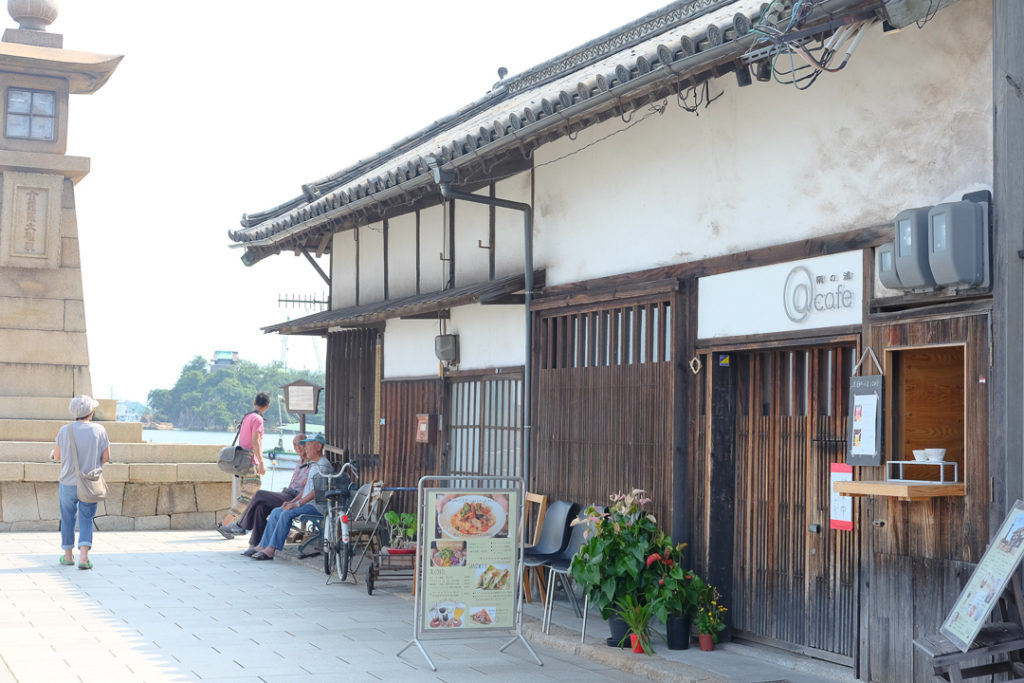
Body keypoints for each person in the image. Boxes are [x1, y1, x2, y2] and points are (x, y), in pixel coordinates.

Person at [227, 434, 313, 556]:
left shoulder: (312, 463)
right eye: (294, 445)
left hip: (294, 497)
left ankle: (241, 525)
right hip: (287, 493)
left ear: (307, 445)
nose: (297, 447)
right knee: (260, 506)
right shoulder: (300, 461)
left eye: (300, 444)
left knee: (259, 494)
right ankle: (256, 545)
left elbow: (309, 488)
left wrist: (295, 501)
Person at [251, 434, 333, 560]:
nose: (305, 449)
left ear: (318, 446)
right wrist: (291, 501)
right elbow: (306, 489)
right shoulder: (314, 464)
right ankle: (263, 545)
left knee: (286, 514)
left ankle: (271, 549)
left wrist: (297, 504)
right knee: (277, 511)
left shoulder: (323, 466)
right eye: (305, 446)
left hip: (317, 506)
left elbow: (316, 492)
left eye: (308, 445)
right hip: (308, 504)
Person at [52, 395, 111, 570]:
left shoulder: (64, 430)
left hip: (68, 483)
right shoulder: (99, 430)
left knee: (68, 519)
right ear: (91, 412)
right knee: (86, 518)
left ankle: (68, 556)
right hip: (90, 484)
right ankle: (84, 558)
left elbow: (57, 457)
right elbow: (106, 457)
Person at [216, 392, 270, 538]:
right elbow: (255, 442)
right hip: (251, 461)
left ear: (254, 402)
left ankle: (240, 525)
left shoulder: (247, 416)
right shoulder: (258, 419)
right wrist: (261, 463)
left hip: (242, 462)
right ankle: (225, 524)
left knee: (248, 495)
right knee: (248, 495)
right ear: (267, 406)